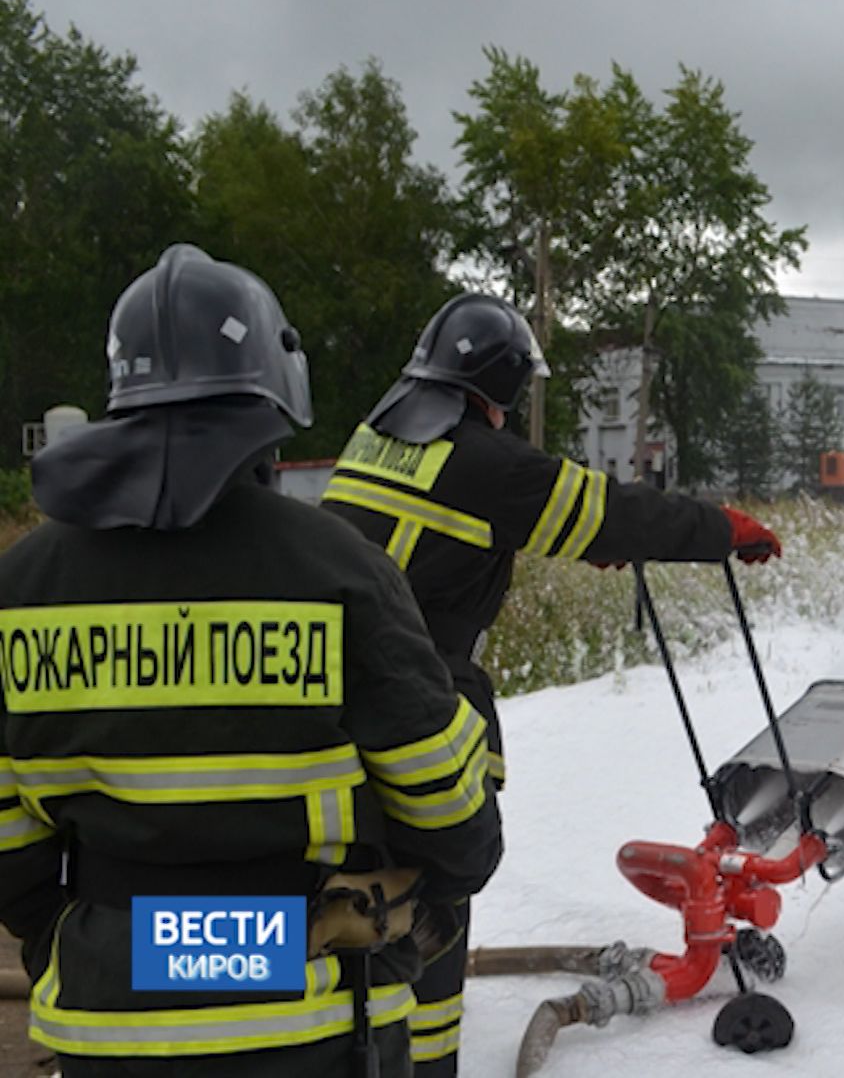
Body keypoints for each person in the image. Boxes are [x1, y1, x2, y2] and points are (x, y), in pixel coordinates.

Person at [0, 245, 503, 1076]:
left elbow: (11, 850)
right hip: (312, 1027)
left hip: (108, 1021)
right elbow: (454, 823)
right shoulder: (338, 570)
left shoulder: (19, 586)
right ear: (274, 391)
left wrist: (102, 949)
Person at [320, 291, 781, 1075]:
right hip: (415, 703)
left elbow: (450, 535)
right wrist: (721, 529)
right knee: (428, 900)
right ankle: (422, 1065)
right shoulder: (484, 459)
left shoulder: (379, 439)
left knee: (351, 899)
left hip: (328, 705)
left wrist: (568, 532)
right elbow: (615, 512)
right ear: (496, 392)